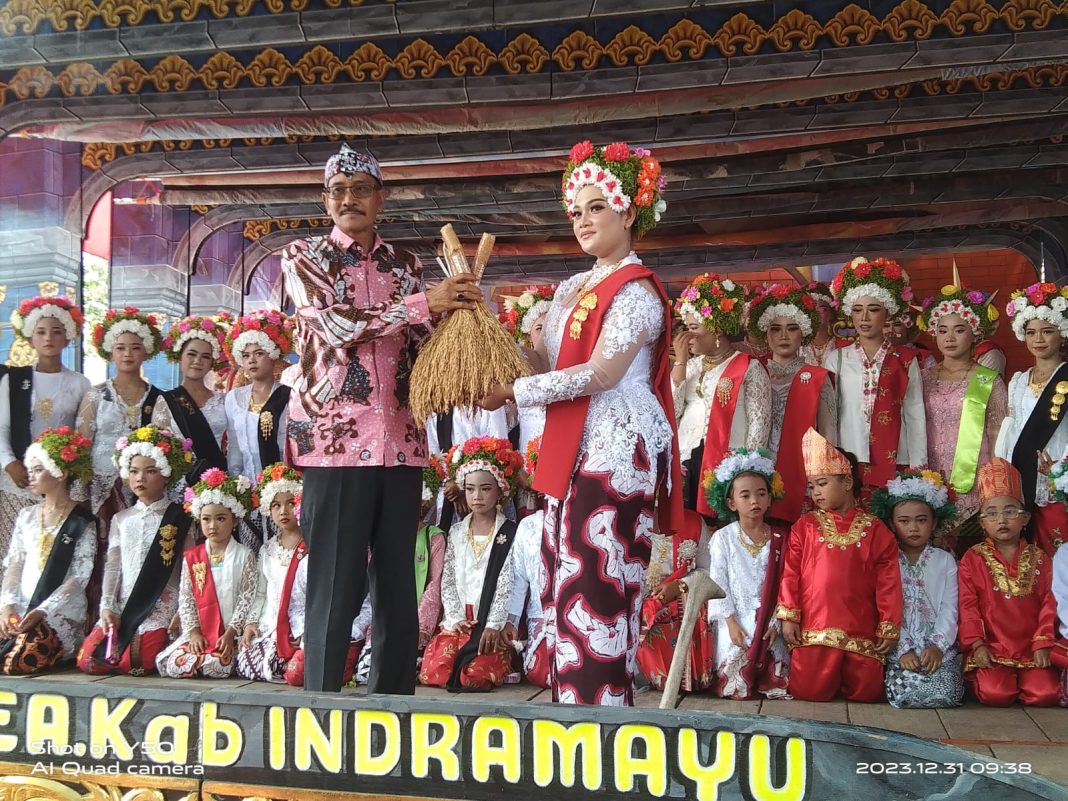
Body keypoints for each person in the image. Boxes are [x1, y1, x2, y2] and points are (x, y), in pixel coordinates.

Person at [477, 140, 686, 706]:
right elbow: (551, 367)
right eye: (576, 211)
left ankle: (602, 717)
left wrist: (516, 389)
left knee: (598, 586)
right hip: (569, 449)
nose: (583, 221)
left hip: (615, 449)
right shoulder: (574, 287)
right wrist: (499, 343)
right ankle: (573, 711)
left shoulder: (638, 291)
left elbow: (600, 374)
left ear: (628, 210)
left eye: (596, 207)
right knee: (562, 581)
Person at [280, 143, 481, 694]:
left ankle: (394, 707)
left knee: (398, 581)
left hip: (402, 441)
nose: (350, 200)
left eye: (361, 189)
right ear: (326, 201)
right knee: (335, 583)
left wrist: (465, 335)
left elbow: (422, 347)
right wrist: (428, 304)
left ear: (380, 198)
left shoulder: (407, 265)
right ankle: (320, 706)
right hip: (335, 442)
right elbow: (337, 328)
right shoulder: (304, 257)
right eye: (339, 191)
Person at [776, 428, 903, 702]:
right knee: (807, 692)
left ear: (847, 482)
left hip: (862, 632)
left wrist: (889, 626)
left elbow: (889, 582)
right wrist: (789, 616)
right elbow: (791, 572)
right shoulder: (805, 525)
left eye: (822, 483)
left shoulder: (876, 530)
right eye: (811, 487)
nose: (815, 493)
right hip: (815, 631)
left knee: (868, 694)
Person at [77, 427, 195, 675]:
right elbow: (113, 566)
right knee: (88, 660)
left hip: (161, 604)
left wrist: (181, 611)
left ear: (166, 474)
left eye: (150, 471)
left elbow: (189, 568)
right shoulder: (122, 519)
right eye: (134, 471)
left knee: (139, 662)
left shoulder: (180, 517)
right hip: (126, 605)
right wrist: (108, 606)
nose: (140, 478)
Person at [77, 308, 165, 622]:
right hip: (101, 487)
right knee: (102, 553)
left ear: (147, 350)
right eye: (121, 348)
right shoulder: (95, 395)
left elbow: (163, 444)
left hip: (141, 490)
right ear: (110, 351)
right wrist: (81, 492)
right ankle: (97, 619)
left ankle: (140, 618)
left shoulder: (157, 398)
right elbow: (81, 445)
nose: (128, 354)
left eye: (135, 347)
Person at [419, 436, 520, 691]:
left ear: (500, 490)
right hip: (459, 623)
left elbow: (507, 582)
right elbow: (448, 579)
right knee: (436, 672)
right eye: (471, 488)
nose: (477, 496)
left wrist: (493, 624)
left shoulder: (509, 533)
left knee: (473, 676)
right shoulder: (455, 532)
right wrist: (454, 618)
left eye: (486, 489)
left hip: (488, 626)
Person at [957, 458, 1059, 706]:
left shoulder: (1040, 557)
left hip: (1032, 648)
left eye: (1010, 511)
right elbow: (967, 606)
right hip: (992, 649)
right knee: (996, 695)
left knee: (1045, 695)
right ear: (981, 522)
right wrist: (977, 645)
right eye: (992, 513)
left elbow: (1049, 602)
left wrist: (1043, 642)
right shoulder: (973, 558)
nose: (1001, 520)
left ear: (1024, 518)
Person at [824, 257, 927, 498]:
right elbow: (830, 415)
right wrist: (830, 459)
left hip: (897, 456)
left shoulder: (905, 359)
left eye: (873, 310)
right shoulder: (836, 359)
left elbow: (915, 413)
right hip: (850, 456)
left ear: (888, 312)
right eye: (858, 310)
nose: (865, 318)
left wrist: (918, 466)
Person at [672, 272, 771, 516]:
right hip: (687, 458)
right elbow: (671, 414)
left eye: (693, 328)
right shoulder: (691, 367)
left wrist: (749, 472)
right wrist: (681, 363)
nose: (688, 336)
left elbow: (759, 425)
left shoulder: (749, 367)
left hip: (727, 463)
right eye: (686, 328)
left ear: (716, 328)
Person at [0, 297, 90, 560]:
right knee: (13, 554)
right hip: (17, 481)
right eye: (41, 332)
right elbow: (2, 428)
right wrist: (10, 464)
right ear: (30, 338)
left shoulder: (80, 383)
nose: (48, 337)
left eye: (56, 332)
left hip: (61, 481)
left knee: (53, 553)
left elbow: (83, 434)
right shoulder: (13, 381)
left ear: (67, 338)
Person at [918, 285, 1007, 550]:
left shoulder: (988, 379)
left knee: (972, 553)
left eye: (959, 330)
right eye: (942, 331)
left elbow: (998, 435)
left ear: (975, 333)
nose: (950, 338)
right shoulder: (922, 378)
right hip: (929, 476)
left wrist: (996, 485)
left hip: (974, 480)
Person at [0, 428, 95, 674]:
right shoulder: (26, 516)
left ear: (61, 473)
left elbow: (79, 576)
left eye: (38, 470)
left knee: (22, 659)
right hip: (21, 607)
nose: (31, 476)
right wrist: (8, 604)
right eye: (30, 470)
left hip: (58, 612)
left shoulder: (82, 520)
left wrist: (43, 609)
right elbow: (15, 564)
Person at [870, 470, 964, 708]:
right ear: (892, 523)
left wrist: (937, 646)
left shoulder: (945, 560)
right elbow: (881, 606)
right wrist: (902, 649)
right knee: (901, 695)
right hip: (899, 647)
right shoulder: (885, 560)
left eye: (921, 520)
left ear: (934, 522)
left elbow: (950, 607)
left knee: (948, 694)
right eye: (904, 521)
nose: (913, 528)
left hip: (937, 649)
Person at [704, 448, 790, 699]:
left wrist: (777, 621)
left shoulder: (779, 537)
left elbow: (786, 582)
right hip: (735, 619)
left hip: (771, 621)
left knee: (777, 681)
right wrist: (730, 622)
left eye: (761, 494)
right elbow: (717, 582)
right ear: (731, 503)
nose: (755, 501)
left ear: (770, 498)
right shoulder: (723, 538)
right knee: (734, 686)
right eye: (746, 495)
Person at [746, 284, 837, 524]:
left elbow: (828, 438)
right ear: (766, 334)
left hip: (802, 473)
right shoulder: (753, 372)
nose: (783, 336)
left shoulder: (817, 377)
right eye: (775, 329)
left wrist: (822, 481)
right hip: (758, 470)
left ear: (804, 333)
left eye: (792, 328)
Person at [349, 466, 449, 684]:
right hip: (385, 621)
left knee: (412, 670)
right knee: (367, 674)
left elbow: (434, 586)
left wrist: (420, 627)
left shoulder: (434, 538)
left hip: (419, 625)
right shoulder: (382, 537)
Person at [157, 470, 258, 678]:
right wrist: (194, 632)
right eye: (206, 519)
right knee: (173, 665)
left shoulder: (245, 555)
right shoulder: (193, 557)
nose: (213, 526)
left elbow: (247, 599)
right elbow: (186, 598)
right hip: (201, 633)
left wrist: (231, 633)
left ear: (235, 520)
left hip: (230, 634)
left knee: (216, 666)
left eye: (220, 519)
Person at [996, 282, 1068, 557]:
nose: (1038, 339)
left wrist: (1062, 468)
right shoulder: (1017, 381)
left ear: (1061, 335)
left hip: (1057, 479)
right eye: (1031, 332)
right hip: (1023, 476)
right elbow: (1012, 427)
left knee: (1058, 550)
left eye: (1047, 332)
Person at [237, 463, 307, 682]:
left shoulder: (315, 546)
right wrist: (251, 623)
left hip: (301, 627)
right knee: (246, 664)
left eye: (290, 503)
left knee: (291, 666)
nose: (283, 511)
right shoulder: (268, 549)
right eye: (276, 505)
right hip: (271, 626)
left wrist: (306, 631)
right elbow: (260, 592)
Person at [636, 511, 713, 693]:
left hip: (675, 598)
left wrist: (679, 586)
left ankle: (681, 681)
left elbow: (710, 569)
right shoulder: (623, 516)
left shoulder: (693, 522)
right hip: (632, 601)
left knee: (697, 608)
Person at [154, 314, 231, 481]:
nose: (198, 361)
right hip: (179, 481)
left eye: (205, 356)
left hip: (216, 481)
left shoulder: (224, 401)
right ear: (179, 357)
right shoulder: (167, 401)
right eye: (191, 354)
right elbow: (158, 447)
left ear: (212, 362)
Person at [222, 310, 294, 487]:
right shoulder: (234, 398)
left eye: (259, 353)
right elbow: (234, 447)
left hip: (279, 483)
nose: (251, 360)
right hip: (245, 484)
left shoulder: (289, 396)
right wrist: (235, 482)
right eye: (246, 356)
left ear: (273, 355)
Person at [501, 436, 549, 686]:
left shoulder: (585, 520)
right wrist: (511, 620)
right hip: (541, 617)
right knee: (542, 672)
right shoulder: (528, 525)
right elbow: (518, 578)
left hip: (578, 618)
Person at [799, 282, 836, 366]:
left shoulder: (842, 347)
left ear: (831, 313)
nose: (816, 313)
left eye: (822, 309)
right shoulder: (796, 347)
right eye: (811, 308)